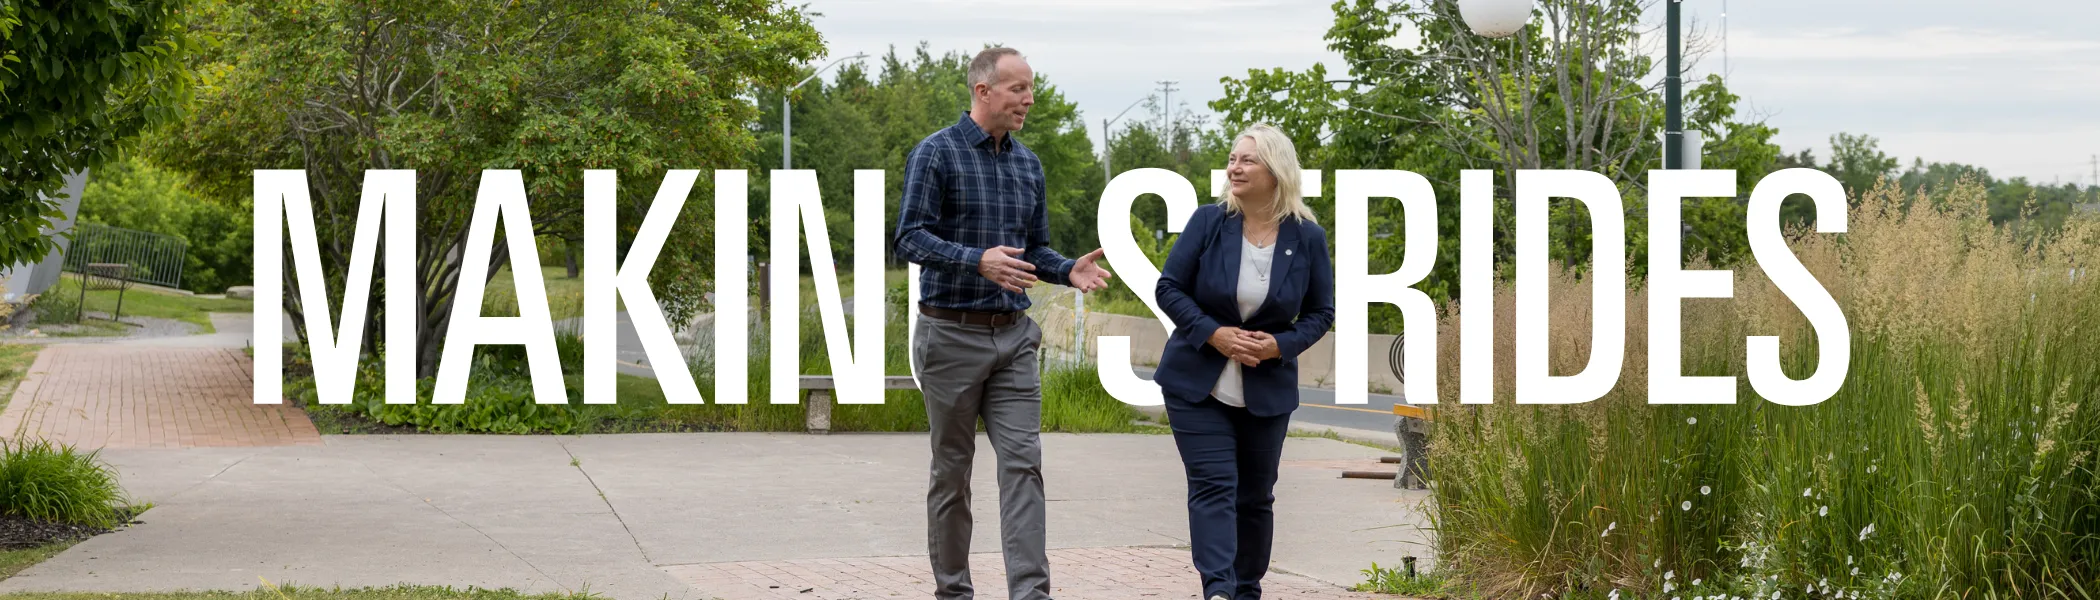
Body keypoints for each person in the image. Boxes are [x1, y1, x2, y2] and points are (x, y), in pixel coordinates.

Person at [891, 46, 1114, 600]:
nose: (1029, 99)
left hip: (1014, 336)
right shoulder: (936, 153)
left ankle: (1031, 594)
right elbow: (909, 238)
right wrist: (977, 260)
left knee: (1024, 467)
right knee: (952, 473)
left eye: (1030, 88)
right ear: (983, 90)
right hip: (949, 335)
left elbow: (1033, 249)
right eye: (1019, 89)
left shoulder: (1028, 164)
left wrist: (1067, 270)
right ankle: (953, 592)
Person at [1151, 123, 1334, 600]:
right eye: (1232, 159)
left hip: (1267, 388)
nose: (1234, 167)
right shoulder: (1208, 223)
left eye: (1247, 160)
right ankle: (1218, 590)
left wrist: (1280, 345)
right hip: (1196, 384)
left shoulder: (1307, 238)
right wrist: (1213, 334)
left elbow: (1321, 312)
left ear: (1275, 171)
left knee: (1255, 496)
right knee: (1213, 485)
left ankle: (1246, 589)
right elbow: (1168, 288)